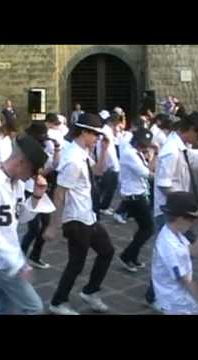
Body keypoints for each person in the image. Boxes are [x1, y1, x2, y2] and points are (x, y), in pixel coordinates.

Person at [0, 135, 55, 314]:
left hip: (9, 255)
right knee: (34, 307)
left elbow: (20, 217)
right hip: (0, 260)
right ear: (21, 163)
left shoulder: (16, 183)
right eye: (32, 172)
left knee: (5, 306)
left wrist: (37, 196)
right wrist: (18, 263)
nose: (32, 177)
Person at [43, 113, 115, 315]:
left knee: (107, 251)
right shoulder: (73, 158)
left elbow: (98, 172)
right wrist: (54, 225)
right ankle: (58, 302)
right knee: (76, 263)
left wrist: (104, 150)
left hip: (88, 215)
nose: (98, 139)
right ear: (84, 132)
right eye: (95, 135)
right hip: (76, 219)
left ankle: (90, 291)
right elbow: (60, 192)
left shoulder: (82, 152)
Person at [146, 111, 198, 305]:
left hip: (180, 211)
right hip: (171, 212)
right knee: (172, 254)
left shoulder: (182, 147)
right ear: (191, 130)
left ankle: (156, 293)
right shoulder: (171, 151)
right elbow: (163, 184)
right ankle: (159, 294)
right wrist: (183, 210)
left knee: (173, 254)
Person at [151, 191, 198, 315]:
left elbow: (193, 252)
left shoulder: (172, 232)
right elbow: (186, 281)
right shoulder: (171, 247)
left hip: (180, 299)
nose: (193, 223)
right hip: (177, 304)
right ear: (180, 218)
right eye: (191, 219)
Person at [21, 121, 61, 269]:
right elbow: (36, 172)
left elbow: (54, 165)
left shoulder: (44, 148)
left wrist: (57, 149)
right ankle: (20, 257)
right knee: (33, 228)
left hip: (41, 190)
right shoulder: (27, 149)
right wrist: (43, 172)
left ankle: (35, 256)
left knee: (45, 224)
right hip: (28, 189)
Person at [118, 127, 156, 273]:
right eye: (141, 144)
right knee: (148, 229)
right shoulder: (130, 154)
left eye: (145, 144)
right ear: (135, 140)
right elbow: (146, 173)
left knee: (143, 228)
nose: (143, 147)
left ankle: (132, 257)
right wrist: (155, 156)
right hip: (134, 196)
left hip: (138, 193)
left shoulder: (134, 151)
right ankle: (126, 256)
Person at [97, 112, 122, 216]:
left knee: (104, 187)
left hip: (109, 163)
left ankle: (101, 205)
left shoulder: (108, 131)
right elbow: (108, 150)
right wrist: (111, 164)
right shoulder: (106, 132)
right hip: (109, 164)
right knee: (109, 187)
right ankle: (103, 206)